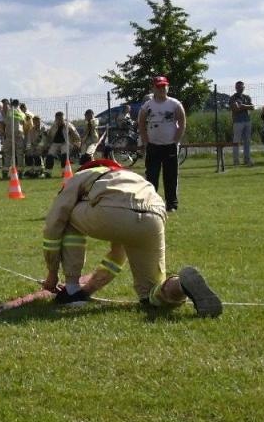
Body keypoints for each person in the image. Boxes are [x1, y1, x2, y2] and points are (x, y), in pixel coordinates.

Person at [38, 157, 221, 316]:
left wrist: (53, 273)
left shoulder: (81, 176)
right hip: (155, 215)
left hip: (114, 210)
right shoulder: (131, 177)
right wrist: (88, 290)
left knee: (67, 216)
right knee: (150, 296)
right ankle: (180, 286)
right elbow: (117, 256)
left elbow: (54, 223)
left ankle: (71, 290)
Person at [136, 76, 184, 212]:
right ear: (154, 88)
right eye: (159, 86)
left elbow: (182, 122)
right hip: (153, 146)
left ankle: (171, 204)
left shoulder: (175, 104)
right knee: (151, 176)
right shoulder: (147, 106)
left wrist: (176, 140)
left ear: (167, 87)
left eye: (164, 86)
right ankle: (151, 203)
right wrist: (146, 141)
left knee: (171, 176)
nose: (162, 89)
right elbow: (141, 123)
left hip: (170, 145)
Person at [228, 80, 254, 167]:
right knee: (236, 142)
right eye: (238, 87)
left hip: (247, 121)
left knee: (247, 141)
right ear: (235, 88)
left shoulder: (247, 97)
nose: (240, 88)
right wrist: (246, 107)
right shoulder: (233, 98)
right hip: (237, 122)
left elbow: (252, 107)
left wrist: (243, 106)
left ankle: (247, 159)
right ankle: (236, 161)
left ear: (244, 88)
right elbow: (235, 109)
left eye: (241, 87)